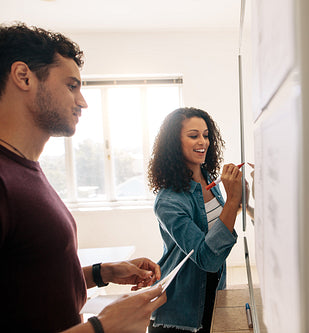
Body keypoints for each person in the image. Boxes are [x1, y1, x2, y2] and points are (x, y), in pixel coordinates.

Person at [0, 23, 166, 332]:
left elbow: (29, 280)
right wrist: (102, 327)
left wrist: (101, 272)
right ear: (24, 77)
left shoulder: (26, 170)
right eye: (72, 86)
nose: (83, 101)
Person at [147, 107, 243, 332]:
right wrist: (231, 201)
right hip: (179, 313)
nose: (203, 141)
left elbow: (217, 225)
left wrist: (238, 201)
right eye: (193, 135)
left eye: (206, 135)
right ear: (174, 143)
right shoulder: (168, 201)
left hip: (213, 295)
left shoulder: (209, 179)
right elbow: (207, 258)